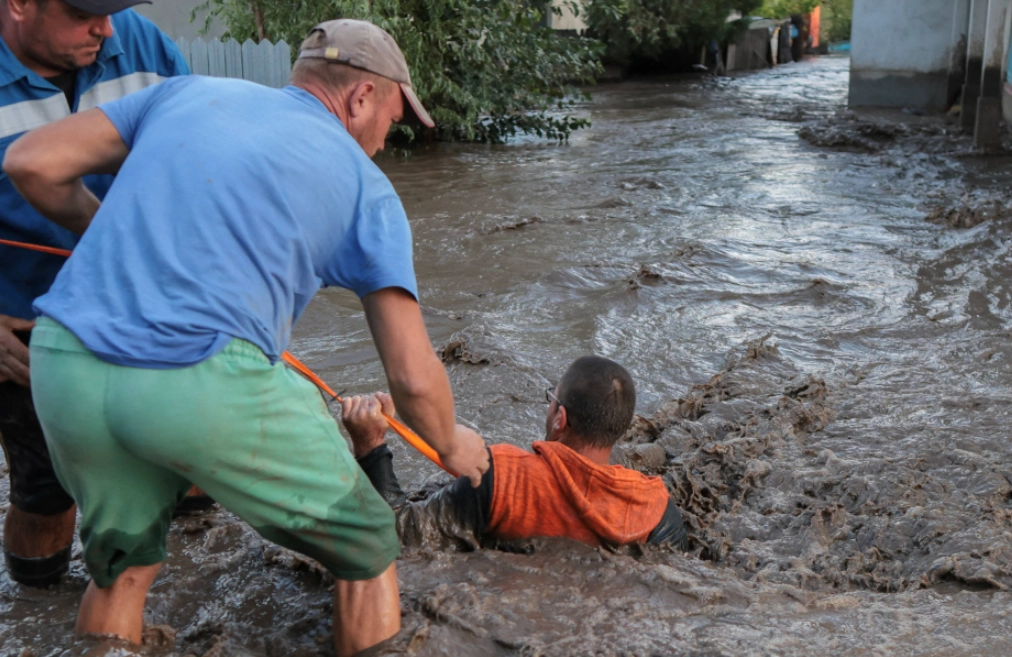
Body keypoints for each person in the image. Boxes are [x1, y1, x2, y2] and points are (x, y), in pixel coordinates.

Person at [4, 17, 489, 656]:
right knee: (369, 544)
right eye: (393, 120)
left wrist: (100, 232)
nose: (384, 141)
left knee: (121, 567)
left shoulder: (187, 93)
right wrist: (453, 444)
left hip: (63, 361)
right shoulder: (367, 188)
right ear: (362, 96)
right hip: (195, 376)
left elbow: (31, 161)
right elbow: (411, 374)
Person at [0, 0, 190, 589]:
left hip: (142, 307)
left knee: (187, 456)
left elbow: (196, 159)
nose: (107, 29)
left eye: (115, 9)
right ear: (20, 5)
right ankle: (38, 603)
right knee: (46, 497)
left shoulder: (145, 46)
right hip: (24, 329)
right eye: (86, 12)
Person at [342, 356, 688, 551]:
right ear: (619, 428)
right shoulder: (657, 509)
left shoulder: (500, 477)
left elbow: (398, 536)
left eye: (551, 398)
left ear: (560, 419)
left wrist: (370, 445)